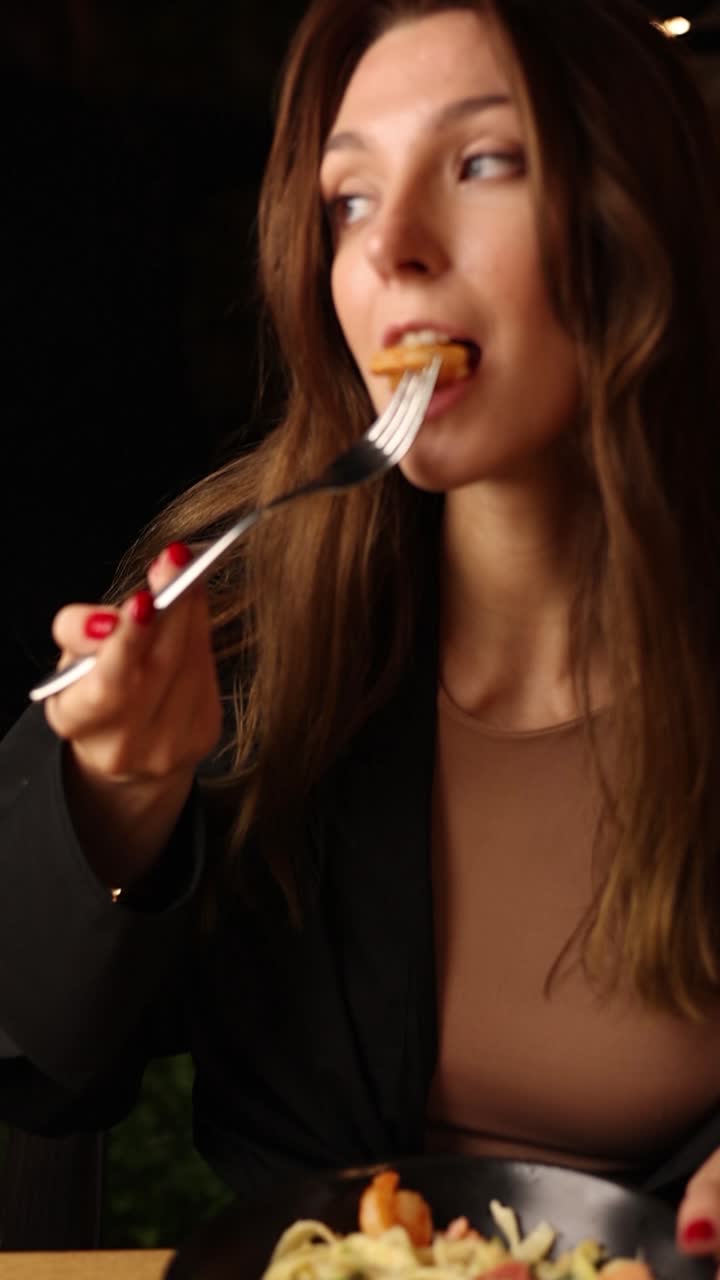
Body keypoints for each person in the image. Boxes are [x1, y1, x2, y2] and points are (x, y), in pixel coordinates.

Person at [2, 0, 720, 1265]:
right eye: (347, 199)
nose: (392, 246)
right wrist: (115, 786)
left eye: (483, 162)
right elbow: (34, 1062)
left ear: (632, 208)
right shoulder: (248, 628)